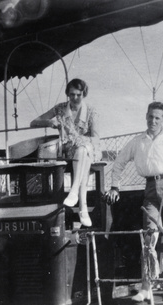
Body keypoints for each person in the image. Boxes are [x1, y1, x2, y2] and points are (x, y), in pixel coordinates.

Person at [105, 101, 163, 302]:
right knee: (149, 237)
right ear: (146, 116)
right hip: (151, 188)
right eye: (150, 116)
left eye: (157, 117)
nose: (153, 120)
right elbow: (119, 162)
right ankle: (146, 287)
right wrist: (115, 186)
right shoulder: (138, 141)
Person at [30, 79, 101, 227]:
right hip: (68, 150)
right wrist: (49, 123)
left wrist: (83, 142)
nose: (75, 98)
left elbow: (95, 137)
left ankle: (74, 191)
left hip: (88, 149)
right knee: (82, 152)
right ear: (67, 94)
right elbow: (34, 122)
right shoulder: (60, 109)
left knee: (84, 150)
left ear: (84, 94)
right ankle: (83, 208)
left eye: (78, 95)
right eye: (71, 94)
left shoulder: (91, 111)